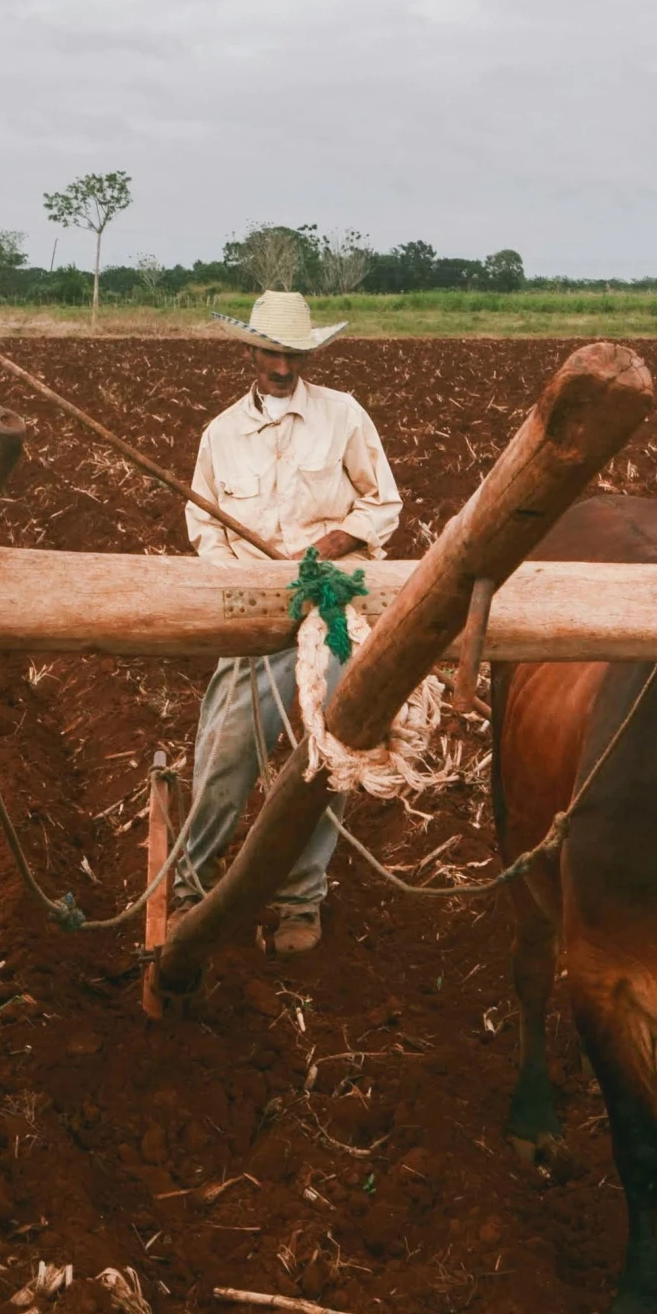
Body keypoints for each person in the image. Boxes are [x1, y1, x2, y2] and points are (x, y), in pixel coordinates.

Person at [176, 290, 402, 956]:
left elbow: (381, 501)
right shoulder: (220, 434)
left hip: (328, 608)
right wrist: (235, 584)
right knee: (225, 756)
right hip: (251, 614)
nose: (280, 366)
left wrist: (338, 542)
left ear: (308, 355)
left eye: (292, 355)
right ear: (249, 351)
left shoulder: (343, 416)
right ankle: (191, 884)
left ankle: (301, 899)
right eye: (270, 352)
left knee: (324, 759)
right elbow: (205, 527)